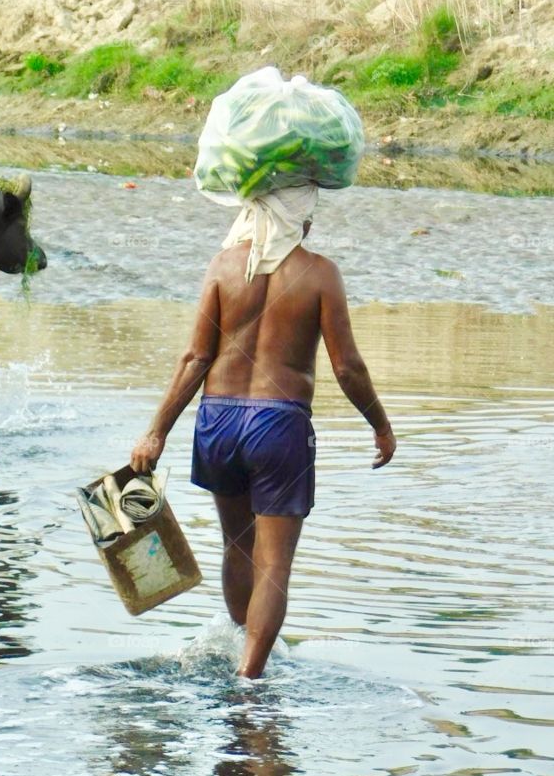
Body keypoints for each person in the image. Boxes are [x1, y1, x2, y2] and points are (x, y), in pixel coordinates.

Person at [130, 184, 396, 679]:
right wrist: (380, 425)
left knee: (237, 545)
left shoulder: (222, 266)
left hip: (218, 421)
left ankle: (242, 649)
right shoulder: (320, 274)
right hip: (278, 423)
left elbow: (195, 358)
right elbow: (348, 366)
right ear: (301, 221)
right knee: (273, 565)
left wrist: (156, 433)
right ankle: (249, 678)